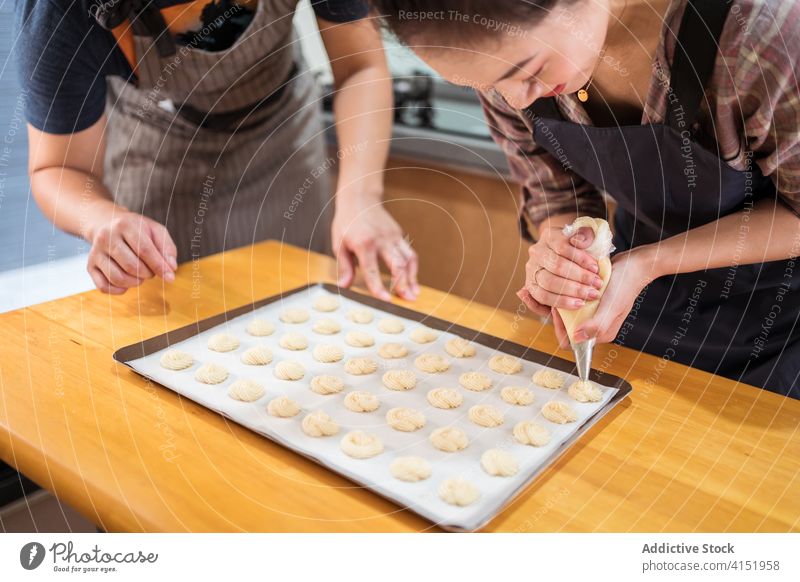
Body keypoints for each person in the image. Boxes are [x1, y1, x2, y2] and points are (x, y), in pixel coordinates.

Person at [369, 0, 800, 398]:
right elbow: (557, 192)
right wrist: (563, 251)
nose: (517, 99)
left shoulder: (761, 36)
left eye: (526, 68)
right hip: (643, 302)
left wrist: (653, 261)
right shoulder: (508, 72)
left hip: (780, 324)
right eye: (486, 84)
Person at [15, 0, 419, 301]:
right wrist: (102, 219)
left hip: (282, 137)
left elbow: (360, 66)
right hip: (158, 148)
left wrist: (360, 198)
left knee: (302, 308)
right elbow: (57, 168)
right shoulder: (60, 12)